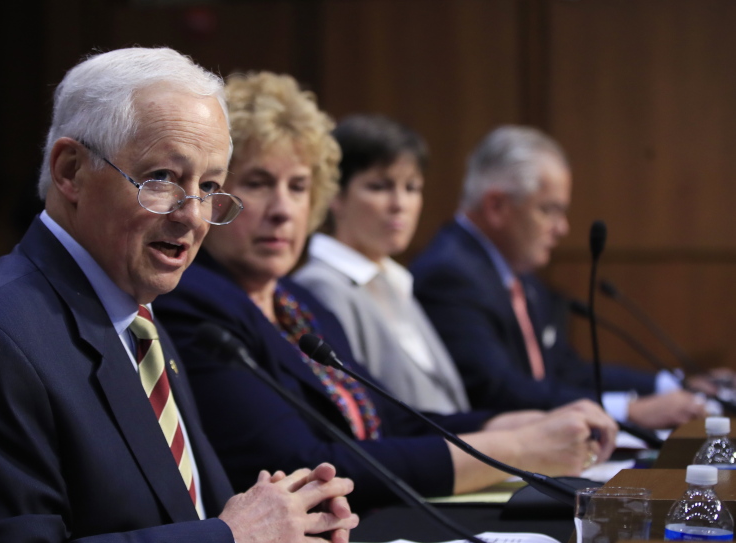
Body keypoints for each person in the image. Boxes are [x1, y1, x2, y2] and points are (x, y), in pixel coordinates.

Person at [0, 48, 358, 543]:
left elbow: (181, 520)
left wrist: (284, 521)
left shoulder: (137, 317)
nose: (194, 215)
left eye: (209, 186)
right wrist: (232, 540)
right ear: (71, 171)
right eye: (163, 179)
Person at [154, 72, 617, 513]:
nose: (282, 210)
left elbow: (388, 421)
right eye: (257, 183)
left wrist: (511, 423)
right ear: (211, 194)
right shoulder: (195, 300)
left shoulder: (297, 303)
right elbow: (301, 462)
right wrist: (516, 449)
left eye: (298, 187)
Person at [410, 125, 707, 430]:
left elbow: (564, 370)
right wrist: (628, 410)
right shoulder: (450, 274)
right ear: (497, 206)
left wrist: (667, 384)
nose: (562, 228)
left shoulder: (512, 271)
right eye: (548, 210)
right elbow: (498, 390)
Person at [294, 114, 469, 414]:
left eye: (411, 187)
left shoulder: (394, 278)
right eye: (379, 186)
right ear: (334, 195)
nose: (400, 204)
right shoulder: (322, 286)